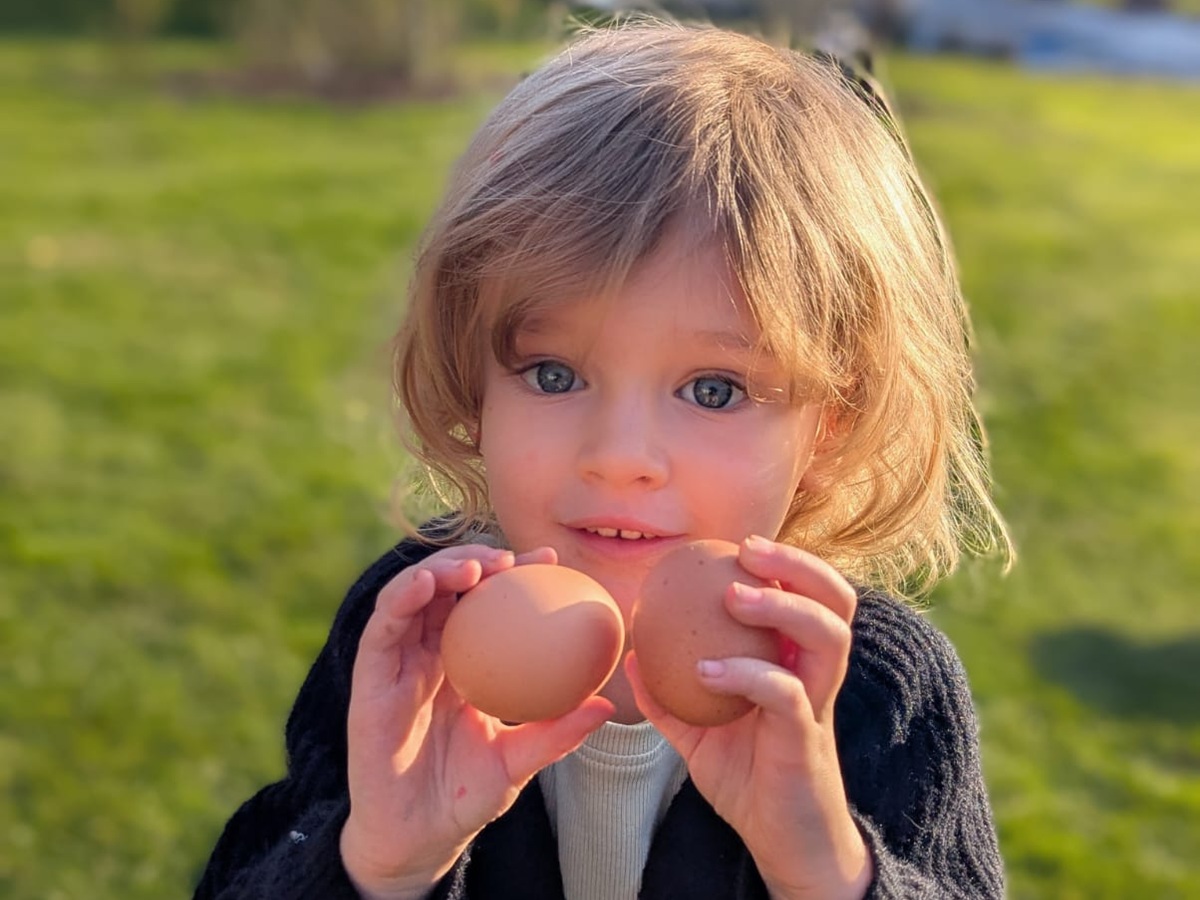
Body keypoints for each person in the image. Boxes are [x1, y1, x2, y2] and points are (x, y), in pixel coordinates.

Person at [193, 21, 1014, 900]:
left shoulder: (872, 689)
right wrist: (378, 866)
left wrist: (824, 871)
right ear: (477, 385)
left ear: (828, 428)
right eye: (554, 373)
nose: (620, 458)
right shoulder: (418, 636)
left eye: (713, 390)